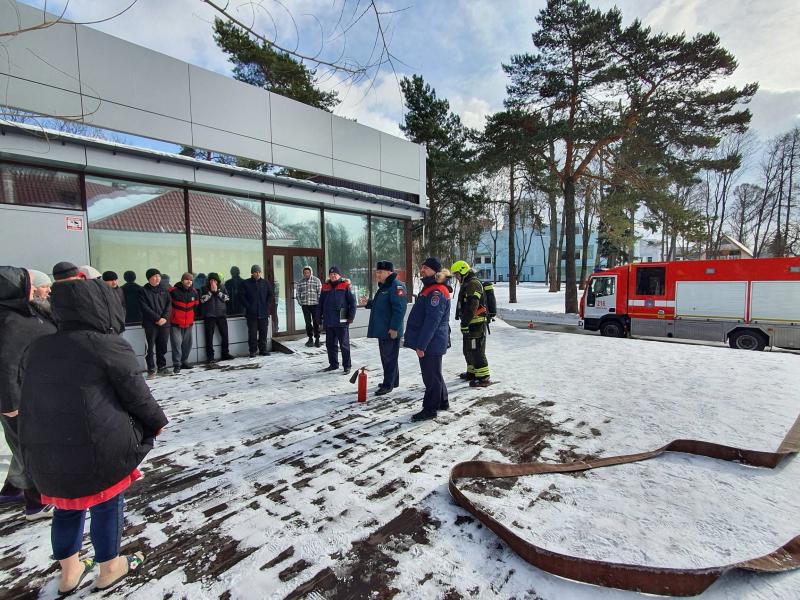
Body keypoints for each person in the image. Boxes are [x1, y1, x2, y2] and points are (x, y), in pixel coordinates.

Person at [18, 277, 168, 596]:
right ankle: (109, 568)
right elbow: (136, 395)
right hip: (96, 444)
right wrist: (156, 423)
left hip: (47, 447)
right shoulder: (106, 343)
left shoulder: (39, 344)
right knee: (106, 502)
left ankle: (69, 572)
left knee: (66, 506)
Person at [0, 267, 56, 518]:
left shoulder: (24, 311)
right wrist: (9, 402)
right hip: (22, 399)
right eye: (31, 285)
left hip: (37, 391)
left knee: (22, 448)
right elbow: (6, 363)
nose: (37, 290)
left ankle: (13, 487)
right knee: (31, 448)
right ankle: (37, 502)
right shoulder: (9, 321)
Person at [403, 258, 451, 422]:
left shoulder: (436, 291)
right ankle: (442, 401)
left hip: (431, 341)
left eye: (425, 268)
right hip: (433, 340)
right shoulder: (430, 288)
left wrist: (422, 345)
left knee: (430, 376)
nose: (422, 270)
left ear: (435, 272)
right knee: (435, 373)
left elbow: (432, 321)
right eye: (422, 267)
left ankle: (430, 409)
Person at [366, 260, 407, 395]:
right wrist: (370, 303)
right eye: (377, 271)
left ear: (389, 272)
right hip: (383, 328)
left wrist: (394, 328)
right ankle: (393, 380)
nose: (377, 274)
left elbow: (399, 309)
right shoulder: (385, 287)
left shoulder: (396, 286)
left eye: (380, 272)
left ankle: (387, 384)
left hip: (390, 330)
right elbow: (384, 304)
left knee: (388, 357)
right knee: (389, 356)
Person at [451, 260, 492, 387]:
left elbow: (472, 306)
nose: (456, 277)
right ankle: (472, 372)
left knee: (476, 349)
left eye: (457, 274)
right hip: (470, 322)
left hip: (476, 323)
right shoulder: (467, 283)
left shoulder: (473, 284)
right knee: (468, 349)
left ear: (463, 271)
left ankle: (484, 377)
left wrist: (465, 322)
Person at [319, 266, 356, 374]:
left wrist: (351, 317)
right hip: (329, 318)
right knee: (330, 344)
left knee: (344, 344)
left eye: (335, 274)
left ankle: (347, 366)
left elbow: (353, 303)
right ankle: (333, 364)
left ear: (339, 275)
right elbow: (320, 303)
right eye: (331, 274)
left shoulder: (346, 285)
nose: (333, 276)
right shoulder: (325, 286)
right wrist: (318, 316)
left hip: (342, 316)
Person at [139, 268, 171, 376]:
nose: (157, 278)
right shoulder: (143, 290)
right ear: (149, 278)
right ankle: (151, 368)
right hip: (150, 324)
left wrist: (164, 318)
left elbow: (169, 305)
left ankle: (162, 366)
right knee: (150, 347)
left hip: (164, 323)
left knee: (162, 346)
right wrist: (157, 318)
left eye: (159, 276)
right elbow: (144, 307)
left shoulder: (164, 289)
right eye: (154, 276)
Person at [168, 273, 199, 374]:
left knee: (188, 344)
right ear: (182, 280)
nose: (189, 281)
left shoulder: (194, 292)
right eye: (186, 279)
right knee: (176, 344)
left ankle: (184, 361)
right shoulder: (173, 291)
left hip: (189, 323)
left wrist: (192, 317)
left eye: (190, 280)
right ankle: (177, 365)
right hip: (175, 323)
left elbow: (196, 306)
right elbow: (167, 305)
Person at [241, 265, 273, 358]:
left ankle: (263, 350)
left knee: (263, 333)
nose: (258, 273)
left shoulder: (265, 283)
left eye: (259, 272)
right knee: (252, 334)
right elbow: (241, 296)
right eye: (255, 272)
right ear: (252, 273)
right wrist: (248, 306)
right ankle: (253, 351)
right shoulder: (246, 283)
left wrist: (267, 305)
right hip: (252, 314)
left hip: (263, 313)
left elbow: (270, 295)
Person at [200, 272, 232, 362]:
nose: (213, 282)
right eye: (211, 280)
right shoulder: (204, 288)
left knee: (225, 335)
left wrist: (218, 292)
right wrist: (210, 293)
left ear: (217, 281)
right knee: (209, 337)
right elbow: (202, 300)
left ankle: (225, 353)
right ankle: (210, 357)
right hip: (209, 316)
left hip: (221, 315)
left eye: (214, 280)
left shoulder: (222, 287)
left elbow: (227, 298)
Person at [295, 265, 322, 347]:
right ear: (303, 273)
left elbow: (320, 293)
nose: (306, 274)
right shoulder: (300, 282)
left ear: (311, 272)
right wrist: (301, 302)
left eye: (308, 272)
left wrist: (319, 303)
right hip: (305, 305)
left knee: (316, 322)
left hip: (315, 305)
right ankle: (310, 338)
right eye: (305, 273)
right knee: (308, 323)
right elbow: (297, 293)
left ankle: (317, 339)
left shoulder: (316, 280)